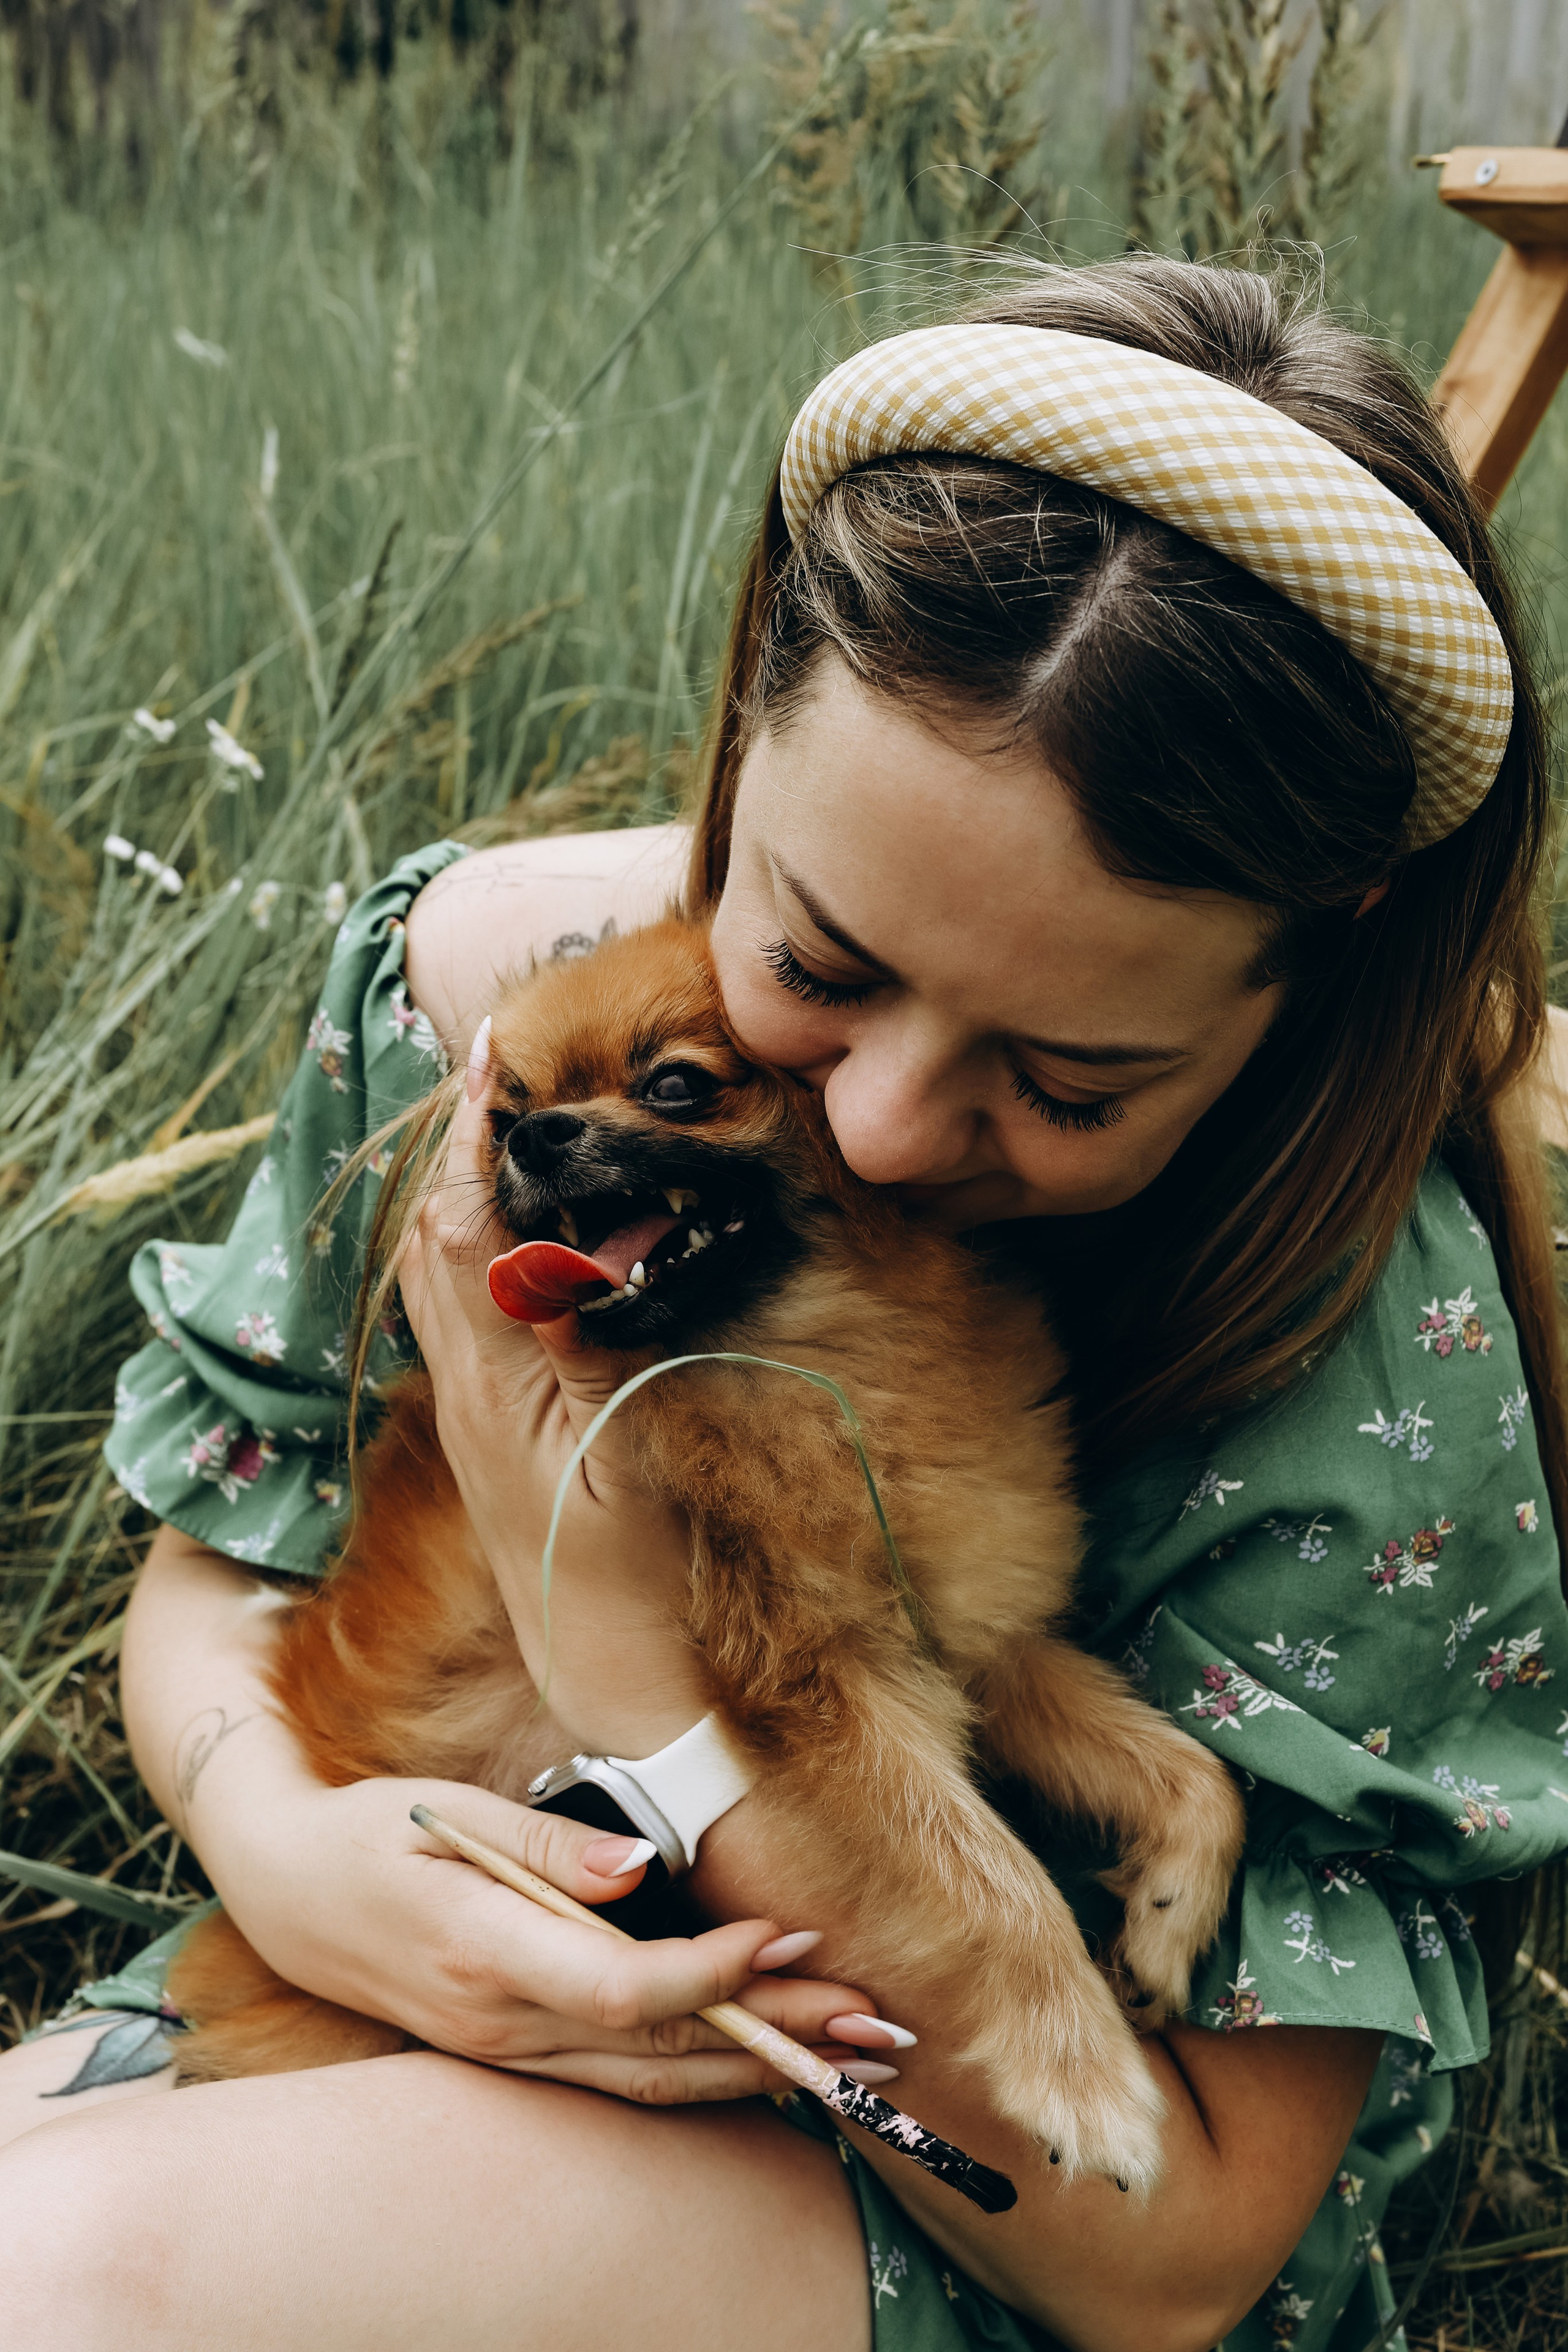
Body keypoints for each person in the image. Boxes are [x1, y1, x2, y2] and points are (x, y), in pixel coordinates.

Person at [4, 254, 1567, 2352]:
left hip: (974, 2199)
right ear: (748, 733)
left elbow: (1173, 2260)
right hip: (397, 1976)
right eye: (819, 972)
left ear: (1320, 959)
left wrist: (651, 1697)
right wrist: (285, 1852)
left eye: (1070, 1078)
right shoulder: (493, 1014)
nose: (900, 1129)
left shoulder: (1361, 1342)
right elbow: (218, 1577)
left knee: (67, 2283)